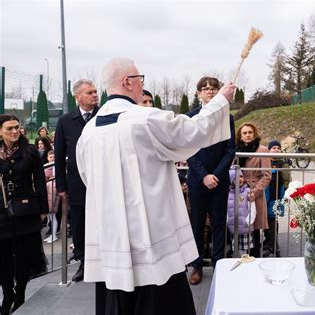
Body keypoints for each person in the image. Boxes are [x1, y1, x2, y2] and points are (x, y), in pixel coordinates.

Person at [76, 57, 236, 315]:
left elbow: (87, 178)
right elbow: (194, 131)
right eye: (140, 79)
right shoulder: (145, 119)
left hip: (111, 233)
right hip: (150, 233)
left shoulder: (89, 130)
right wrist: (221, 101)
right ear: (127, 82)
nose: (141, 85)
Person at [186, 76, 236, 285]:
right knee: (197, 224)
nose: (210, 91)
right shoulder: (191, 117)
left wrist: (215, 174)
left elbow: (230, 149)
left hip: (219, 180)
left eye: (214, 88)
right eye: (205, 88)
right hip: (198, 181)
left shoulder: (227, 118)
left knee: (218, 224)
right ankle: (196, 266)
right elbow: (188, 149)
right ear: (198, 93)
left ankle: (218, 265)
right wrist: (204, 175)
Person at [0, 114, 48, 314]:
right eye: (9, 128)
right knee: (2, 258)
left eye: (16, 127)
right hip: (1, 214)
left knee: (23, 256)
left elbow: (40, 182)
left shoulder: (30, 152)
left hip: (25, 212)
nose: (14, 132)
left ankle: (20, 293)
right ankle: (8, 294)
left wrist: (44, 209)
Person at [54, 78, 99, 282]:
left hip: (102, 181)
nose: (95, 95)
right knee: (79, 223)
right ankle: (83, 262)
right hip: (77, 183)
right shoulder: (65, 121)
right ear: (77, 97)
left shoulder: (104, 116)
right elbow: (59, 154)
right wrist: (61, 186)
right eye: (90, 92)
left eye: (95, 91)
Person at [236, 122, 271, 257]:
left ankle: (255, 258)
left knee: (254, 228)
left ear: (254, 133)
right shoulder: (236, 150)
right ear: (240, 136)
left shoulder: (262, 150)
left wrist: (255, 192)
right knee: (238, 225)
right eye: (244, 133)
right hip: (239, 192)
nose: (247, 135)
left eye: (250, 132)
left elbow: (267, 175)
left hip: (254, 193)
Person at [264, 140, 290, 257]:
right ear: (268, 150)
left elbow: (287, 180)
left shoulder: (283, 164)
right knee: (264, 220)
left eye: (278, 148)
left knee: (273, 220)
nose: (276, 150)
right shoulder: (265, 162)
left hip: (276, 196)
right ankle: (268, 241)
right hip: (265, 195)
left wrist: (285, 194)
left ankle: (274, 246)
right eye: (273, 148)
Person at [227, 168, 256, 256]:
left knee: (243, 251)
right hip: (233, 227)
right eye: (235, 177)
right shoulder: (228, 193)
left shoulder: (247, 191)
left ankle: (243, 265)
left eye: (241, 176)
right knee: (234, 247)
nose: (239, 179)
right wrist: (227, 220)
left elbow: (252, 207)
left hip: (244, 227)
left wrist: (249, 220)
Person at [44, 150, 60, 243]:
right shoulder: (46, 166)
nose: (52, 159)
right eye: (50, 157)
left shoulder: (55, 167)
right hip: (48, 190)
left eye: (54, 157)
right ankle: (52, 234)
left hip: (53, 190)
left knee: (53, 214)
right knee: (50, 216)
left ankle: (54, 235)